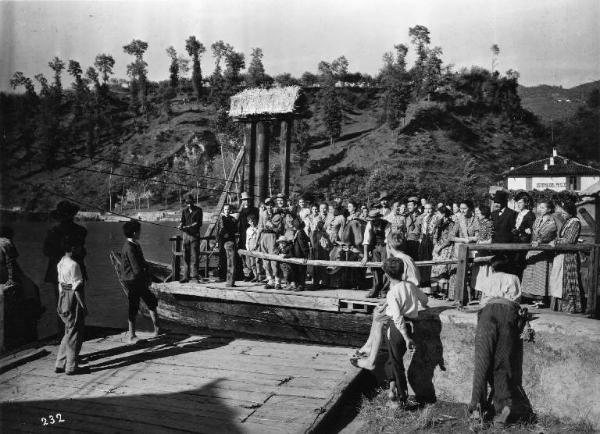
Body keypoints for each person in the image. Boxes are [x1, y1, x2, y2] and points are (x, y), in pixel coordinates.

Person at [353, 257, 429, 409]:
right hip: (409, 324)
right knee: (392, 359)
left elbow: (397, 316)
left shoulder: (392, 293)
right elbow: (425, 300)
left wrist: (406, 338)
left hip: (396, 329)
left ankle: (401, 400)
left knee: (396, 363)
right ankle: (392, 392)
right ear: (403, 272)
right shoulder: (410, 286)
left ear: (387, 276)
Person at [468, 255, 530, 427]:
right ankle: (503, 412)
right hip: (509, 314)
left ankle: (476, 410)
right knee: (503, 364)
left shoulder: (488, 279)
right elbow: (517, 301)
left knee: (482, 361)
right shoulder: (515, 278)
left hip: (488, 313)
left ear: (493, 268)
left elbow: (482, 302)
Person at [43, 200, 87, 336]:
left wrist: (59, 255)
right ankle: (77, 333)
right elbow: (82, 251)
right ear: (72, 215)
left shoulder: (53, 232)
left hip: (58, 272)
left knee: (61, 304)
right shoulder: (81, 231)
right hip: (75, 270)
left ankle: (64, 333)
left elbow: (46, 251)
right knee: (78, 302)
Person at [120, 220, 161, 343]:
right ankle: (131, 335)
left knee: (151, 301)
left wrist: (147, 274)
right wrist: (146, 279)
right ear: (134, 233)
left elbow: (142, 263)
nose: (140, 233)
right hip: (132, 280)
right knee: (134, 305)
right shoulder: (129, 247)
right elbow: (136, 268)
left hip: (138, 279)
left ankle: (157, 330)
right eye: (139, 231)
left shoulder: (135, 244)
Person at [55, 235, 89, 375]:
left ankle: (60, 362)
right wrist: (83, 305)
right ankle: (71, 366)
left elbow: (60, 283)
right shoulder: (74, 265)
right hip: (72, 298)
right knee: (75, 333)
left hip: (63, 295)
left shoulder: (61, 262)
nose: (81, 249)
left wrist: (61, 300)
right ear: (73, 248)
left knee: (68, 331)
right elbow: (77, 288)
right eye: (79, 246)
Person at [549, 199, 585, 313]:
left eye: (565, 213)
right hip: (561, 254)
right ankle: (559, 306)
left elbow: (570, 239)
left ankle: (571, 307)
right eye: (562, 213)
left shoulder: (575, 222)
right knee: (558, 279)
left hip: (568, 256)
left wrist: (556, 241)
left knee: (567, 280)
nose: (563, 215)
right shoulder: (567, 221)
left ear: (570, 212)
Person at [521, 200, 558, 305]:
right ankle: (533, 298)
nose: (539, 209)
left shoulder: (552, 220)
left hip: (544, 250)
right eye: (539, 207)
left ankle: (543, 299)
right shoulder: (537, 219)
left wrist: (540, 241)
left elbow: (548, 233)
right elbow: (534, 233)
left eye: (543, 207)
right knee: (531, 272)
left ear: (549, 209)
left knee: (542, 273)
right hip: (534, 248)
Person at [258, 198, 284, 289]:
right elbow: (260, 227)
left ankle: (277, 281)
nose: (269, 207)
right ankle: (270, 281)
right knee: (265, 260)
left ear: (274, 205)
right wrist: (258, 241)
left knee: (274, 260)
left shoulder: (278, 216)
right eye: (267, 205)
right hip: (263, 237)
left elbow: (278, 230)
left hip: (272, 237)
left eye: (271, 205)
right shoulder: (263, 214)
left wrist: (271, 225)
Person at [362, 210, 389, 298]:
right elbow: (366, 240)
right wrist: (365, 256)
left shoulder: (387, 224)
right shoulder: (369, 224)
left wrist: (388, 252)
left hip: (385, 246)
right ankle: (375, 290)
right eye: (372, 219)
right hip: (374, 246)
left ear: (379, 217)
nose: (373, 221)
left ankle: (384, 291)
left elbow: (388, 240)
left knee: (385, 267)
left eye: (375, 219)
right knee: (375, 268)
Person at [431, 206, 456, 298]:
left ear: (443, 214)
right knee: (435, 268)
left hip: (446, 248)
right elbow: (434, 235)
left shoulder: (451, 224)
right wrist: (435, 246)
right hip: (437, 247)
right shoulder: (438, 223)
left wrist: (440, 247)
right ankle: (435, 290)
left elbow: (449, 239)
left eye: (438, 213)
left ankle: (443, 291)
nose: (437, 215)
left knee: (443, 269)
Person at [177, 195, 203, 283]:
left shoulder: (199, 210)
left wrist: (187, 227)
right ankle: (185, 276)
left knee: (194, 257)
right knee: (185, 256)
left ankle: (194, 277)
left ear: (193, 201)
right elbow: (182, 221)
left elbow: (198, 223)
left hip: (194, 236)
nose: (188, 204)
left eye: (190, 202)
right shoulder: (184, 211)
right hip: (185, 236)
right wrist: (180, 225)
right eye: (187, 203)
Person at [471, 205, 494, 298]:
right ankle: (478, 292)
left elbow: (490, 239)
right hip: (478, 250)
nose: (477, 215)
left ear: (484, 214)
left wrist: (480, 242)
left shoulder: (489, 223)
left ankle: (484, 293)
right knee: (478, 272)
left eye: (479, 213)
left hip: (485, 251)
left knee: (485, 272)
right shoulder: (479, 223)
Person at [512, 192, 536, 276]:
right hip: (516, 242)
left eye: (520, 202)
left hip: (524, 243)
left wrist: (520, 230)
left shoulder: (530, 215)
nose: (518, 204)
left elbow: (530, 230)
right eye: (517, 202)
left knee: (520, 265)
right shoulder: (518, 214)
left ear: (526, 203)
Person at [237, 192, 259, 281]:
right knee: (244, 255)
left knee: (254, 255)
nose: (246, 201)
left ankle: (256, 274)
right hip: (242, 235)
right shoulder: (240, 211)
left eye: (247, 200)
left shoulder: (254, 210)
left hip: (252, 234)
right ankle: (247, 274)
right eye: (244, 200)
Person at [417, 202, 436, 293]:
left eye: (430, 209)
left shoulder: (436, 218)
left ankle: (429, 285)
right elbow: (420, 228)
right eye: (426, 208)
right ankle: (423, 284)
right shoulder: (423, 218)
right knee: (422, 261)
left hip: (431, 240)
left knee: (429, 261)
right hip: (424, 240)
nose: (428, 211)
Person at [216, 203, 238, 287]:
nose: (227, 211)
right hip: (222, 239)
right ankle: (222, 276)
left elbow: (236, 229)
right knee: (222, 258)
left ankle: (231, 276)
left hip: (231, 240)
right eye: (225, 209)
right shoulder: (220, 219)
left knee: (231, 258)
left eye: (228, 209)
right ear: (223, 210)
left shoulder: (233, 219)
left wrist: (230, 232)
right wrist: (217, 240)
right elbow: (218, 231)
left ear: (230, 210)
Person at [289, 219, 311, 291]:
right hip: (297, 253)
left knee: (301, 270)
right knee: (298, 269)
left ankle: (301, 285)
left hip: (300, 254)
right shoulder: (300, 232)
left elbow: (303, 245)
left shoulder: (300, 233)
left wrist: (305, 254)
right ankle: (299, 284)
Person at [244, 214, 261, 283]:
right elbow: (247, 239)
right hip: (251, 246)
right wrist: (248, 248)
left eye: (253, 221)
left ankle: (259, 276)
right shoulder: (248, 230)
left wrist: (258, 245)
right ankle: (255, 276)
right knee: (252, 262)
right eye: (251, 221)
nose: (252, 222)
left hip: (257, 246)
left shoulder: (258, 229)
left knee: (258, 262)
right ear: (248, 222)